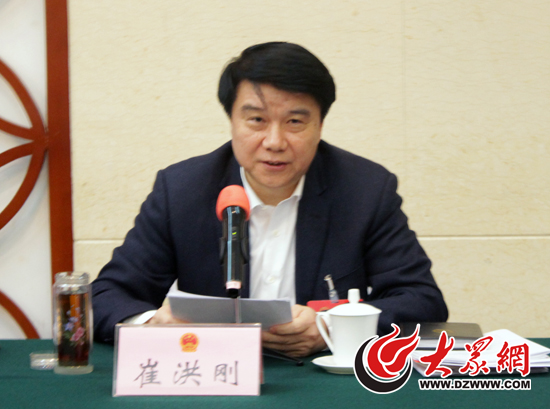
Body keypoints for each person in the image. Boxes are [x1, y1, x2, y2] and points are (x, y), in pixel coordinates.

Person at [92, 42, 448, 357]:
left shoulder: (365, 190)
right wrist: (152, 324)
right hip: (214, 376)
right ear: (232, 120)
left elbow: (422, 301)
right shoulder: (182, 190)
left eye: (294, 122)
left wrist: (331, 327)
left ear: (320, 125)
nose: (274, 142)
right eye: (257, 120)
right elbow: (106, 295)